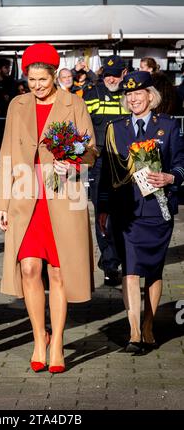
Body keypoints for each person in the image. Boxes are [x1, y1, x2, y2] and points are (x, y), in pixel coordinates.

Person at [0, 43, 97, 373]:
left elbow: (90, 150)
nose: (36, 85)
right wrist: (1, 202)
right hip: (25, 195)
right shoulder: (17, 105)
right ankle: (39, 336)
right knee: (28, 269)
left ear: (55, 75)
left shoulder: (74, 103)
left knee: (59, 270)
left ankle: (58, 343)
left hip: (63, 196)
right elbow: (6, 153)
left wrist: (75, 161)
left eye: (42, 78)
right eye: (31, 78)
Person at [98, 71, 184, 352]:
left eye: (138, 93)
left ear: (150, 96)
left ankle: (148, 323)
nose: (133, 98)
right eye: (129, 94)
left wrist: (172, 178)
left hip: (158, 211)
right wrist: (102, 207)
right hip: (127, 212)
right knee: (131, 269)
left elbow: (181, 162)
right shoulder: (116, 128)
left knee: (154, 271)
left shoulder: (169, 126)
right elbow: (106, 172)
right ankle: (134, 331)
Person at [84, 55, 130, 286]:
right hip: (100, 163)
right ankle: (110, 265)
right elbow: (81, 125)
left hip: (126, 163)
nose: (110, 78)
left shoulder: (131, 95)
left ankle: (124, 256)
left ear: (124, 73)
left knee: (125, 213)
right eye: (106, 75)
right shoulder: (92, 94)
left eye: (115, 74)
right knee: (102, 213)